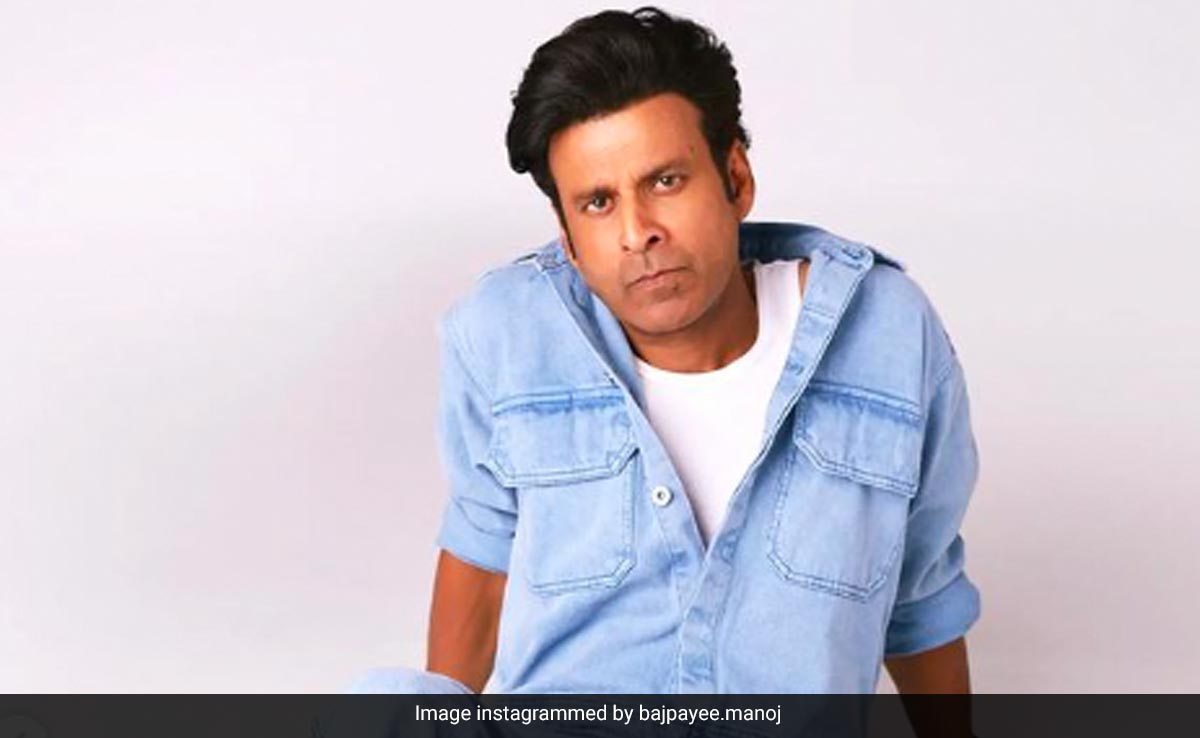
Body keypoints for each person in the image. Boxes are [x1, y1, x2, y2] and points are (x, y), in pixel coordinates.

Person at [351, 6, 981, 697]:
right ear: (567, 238)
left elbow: (921, 595)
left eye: (665, 181)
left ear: (736, 178)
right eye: (597, 203)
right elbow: (482, 555)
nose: (637, 232)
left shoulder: (886, 332)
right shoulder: (504, 331)